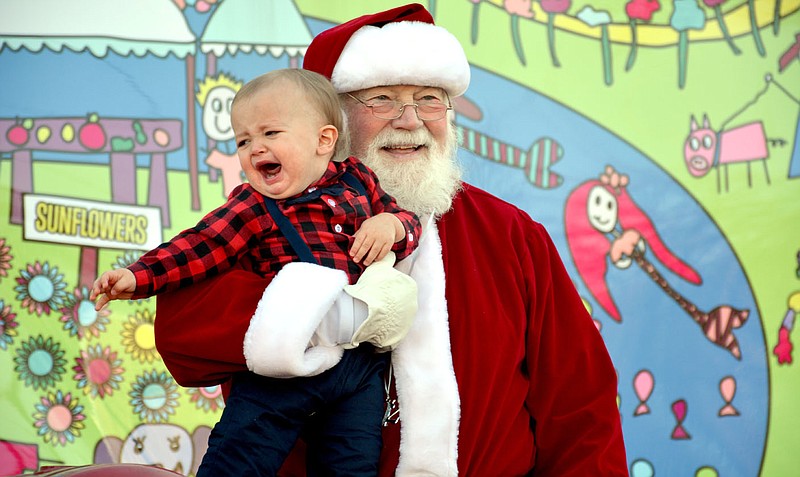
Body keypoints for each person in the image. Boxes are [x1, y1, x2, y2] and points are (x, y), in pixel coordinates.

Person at [156, 3, 629, 476]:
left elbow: (580, 405)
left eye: (429, 98)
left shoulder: (511, 234)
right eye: (381, 99)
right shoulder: (263, 218)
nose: (409, 120)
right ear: (329, 126)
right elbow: (181, 335)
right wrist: (328, 315)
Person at [91, 68, 422, 476]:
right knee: (241, 456)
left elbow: (409, 221)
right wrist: (139, 276)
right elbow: (200, 245)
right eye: (243, 140)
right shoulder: (253, 204)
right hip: (284, 361)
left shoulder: (358, 180)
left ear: (323, 140)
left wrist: (391, 225)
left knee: (353, 463)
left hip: (358, 367)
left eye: (270, 133)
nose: (255, 148)